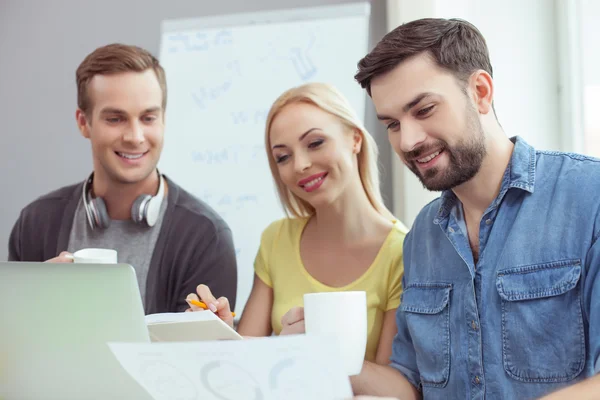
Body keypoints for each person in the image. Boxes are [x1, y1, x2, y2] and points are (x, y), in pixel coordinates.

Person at [348, 17, 600, 400]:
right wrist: (325, 352)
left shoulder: (589, 196)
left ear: (480, 92)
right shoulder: (421, 236)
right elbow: (409, 386)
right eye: (392, 124)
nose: (409, 140)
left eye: (424, 109)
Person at [187, 82, 409, 371]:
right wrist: (222, 334)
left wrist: (304, 351)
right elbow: (243, 367)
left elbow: (393, 387)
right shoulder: (276, 240)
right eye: (283, 157)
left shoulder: (402, 253)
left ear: (355, 138)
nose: (300, 165)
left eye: (315, 143)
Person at [8, 43, 238, 314]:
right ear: (83, 122)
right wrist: (24, 304)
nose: (135, 136)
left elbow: (200, 354)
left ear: (163, 121)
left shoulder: (206, 237)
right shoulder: (35, 224)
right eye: (116, 119)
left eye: (148, 118)